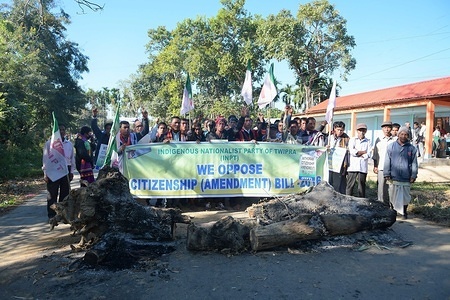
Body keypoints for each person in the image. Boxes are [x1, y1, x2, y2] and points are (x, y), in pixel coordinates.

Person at [42, 123, 75, 222]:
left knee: (65, 194)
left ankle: (62, 214)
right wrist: (45, 173)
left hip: (66, 170)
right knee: (52, 194)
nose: (61, 131)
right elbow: (45, 159)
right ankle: (51, 215)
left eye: (63, 130)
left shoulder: (69, 144)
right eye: (59, 130)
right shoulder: (49, 144)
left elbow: (72, 158)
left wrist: (71, 171)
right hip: (53, 170)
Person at [384, 126, 418, 219]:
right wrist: (386, 173)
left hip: (406, 176)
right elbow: (387, 160)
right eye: (402, 134)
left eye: (406, 134)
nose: (403, 136)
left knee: (405, 197)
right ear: (398, 135)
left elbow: (414, 163)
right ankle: (393, 212)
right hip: (393, 176)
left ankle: (404, 212)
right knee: (392, 195)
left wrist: (413, 175)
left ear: (408, 136)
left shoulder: (412, 149)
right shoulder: (391, 146)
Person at [346, 123, 372, 198]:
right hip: (353, 166)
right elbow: (352, 151)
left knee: (362, 185)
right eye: (360, 130)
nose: (361, 132)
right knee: (350, 185)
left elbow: (369, 153)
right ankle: (347, 199)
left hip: (362, 166)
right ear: (357, 131)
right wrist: (362, 152)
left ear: (366, 131)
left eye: (363, 130)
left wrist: (360, 153)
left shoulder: (368, 141)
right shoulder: (353, 140)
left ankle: (361, 201)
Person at [372, 121, 395, 206]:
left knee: (391, 187)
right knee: (381, 187)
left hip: (392, 168)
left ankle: (391, 206)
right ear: (382, 129)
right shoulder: (379, 139)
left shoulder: (395, 140)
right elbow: (375, 154)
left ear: (391, 129)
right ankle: (381, 205)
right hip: (381, 166)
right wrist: (375, 165)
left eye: (388, 127)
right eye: (384, 127)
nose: (386, 129)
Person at [327, 121, 350, 194]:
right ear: (334, 129)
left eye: (341, 130)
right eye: (338, 130)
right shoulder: (328, 138)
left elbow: (348, 151)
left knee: (337, 185)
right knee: (329, 182)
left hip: (339, 165)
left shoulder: (346, 139)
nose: (340, 132)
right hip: (329, 164)